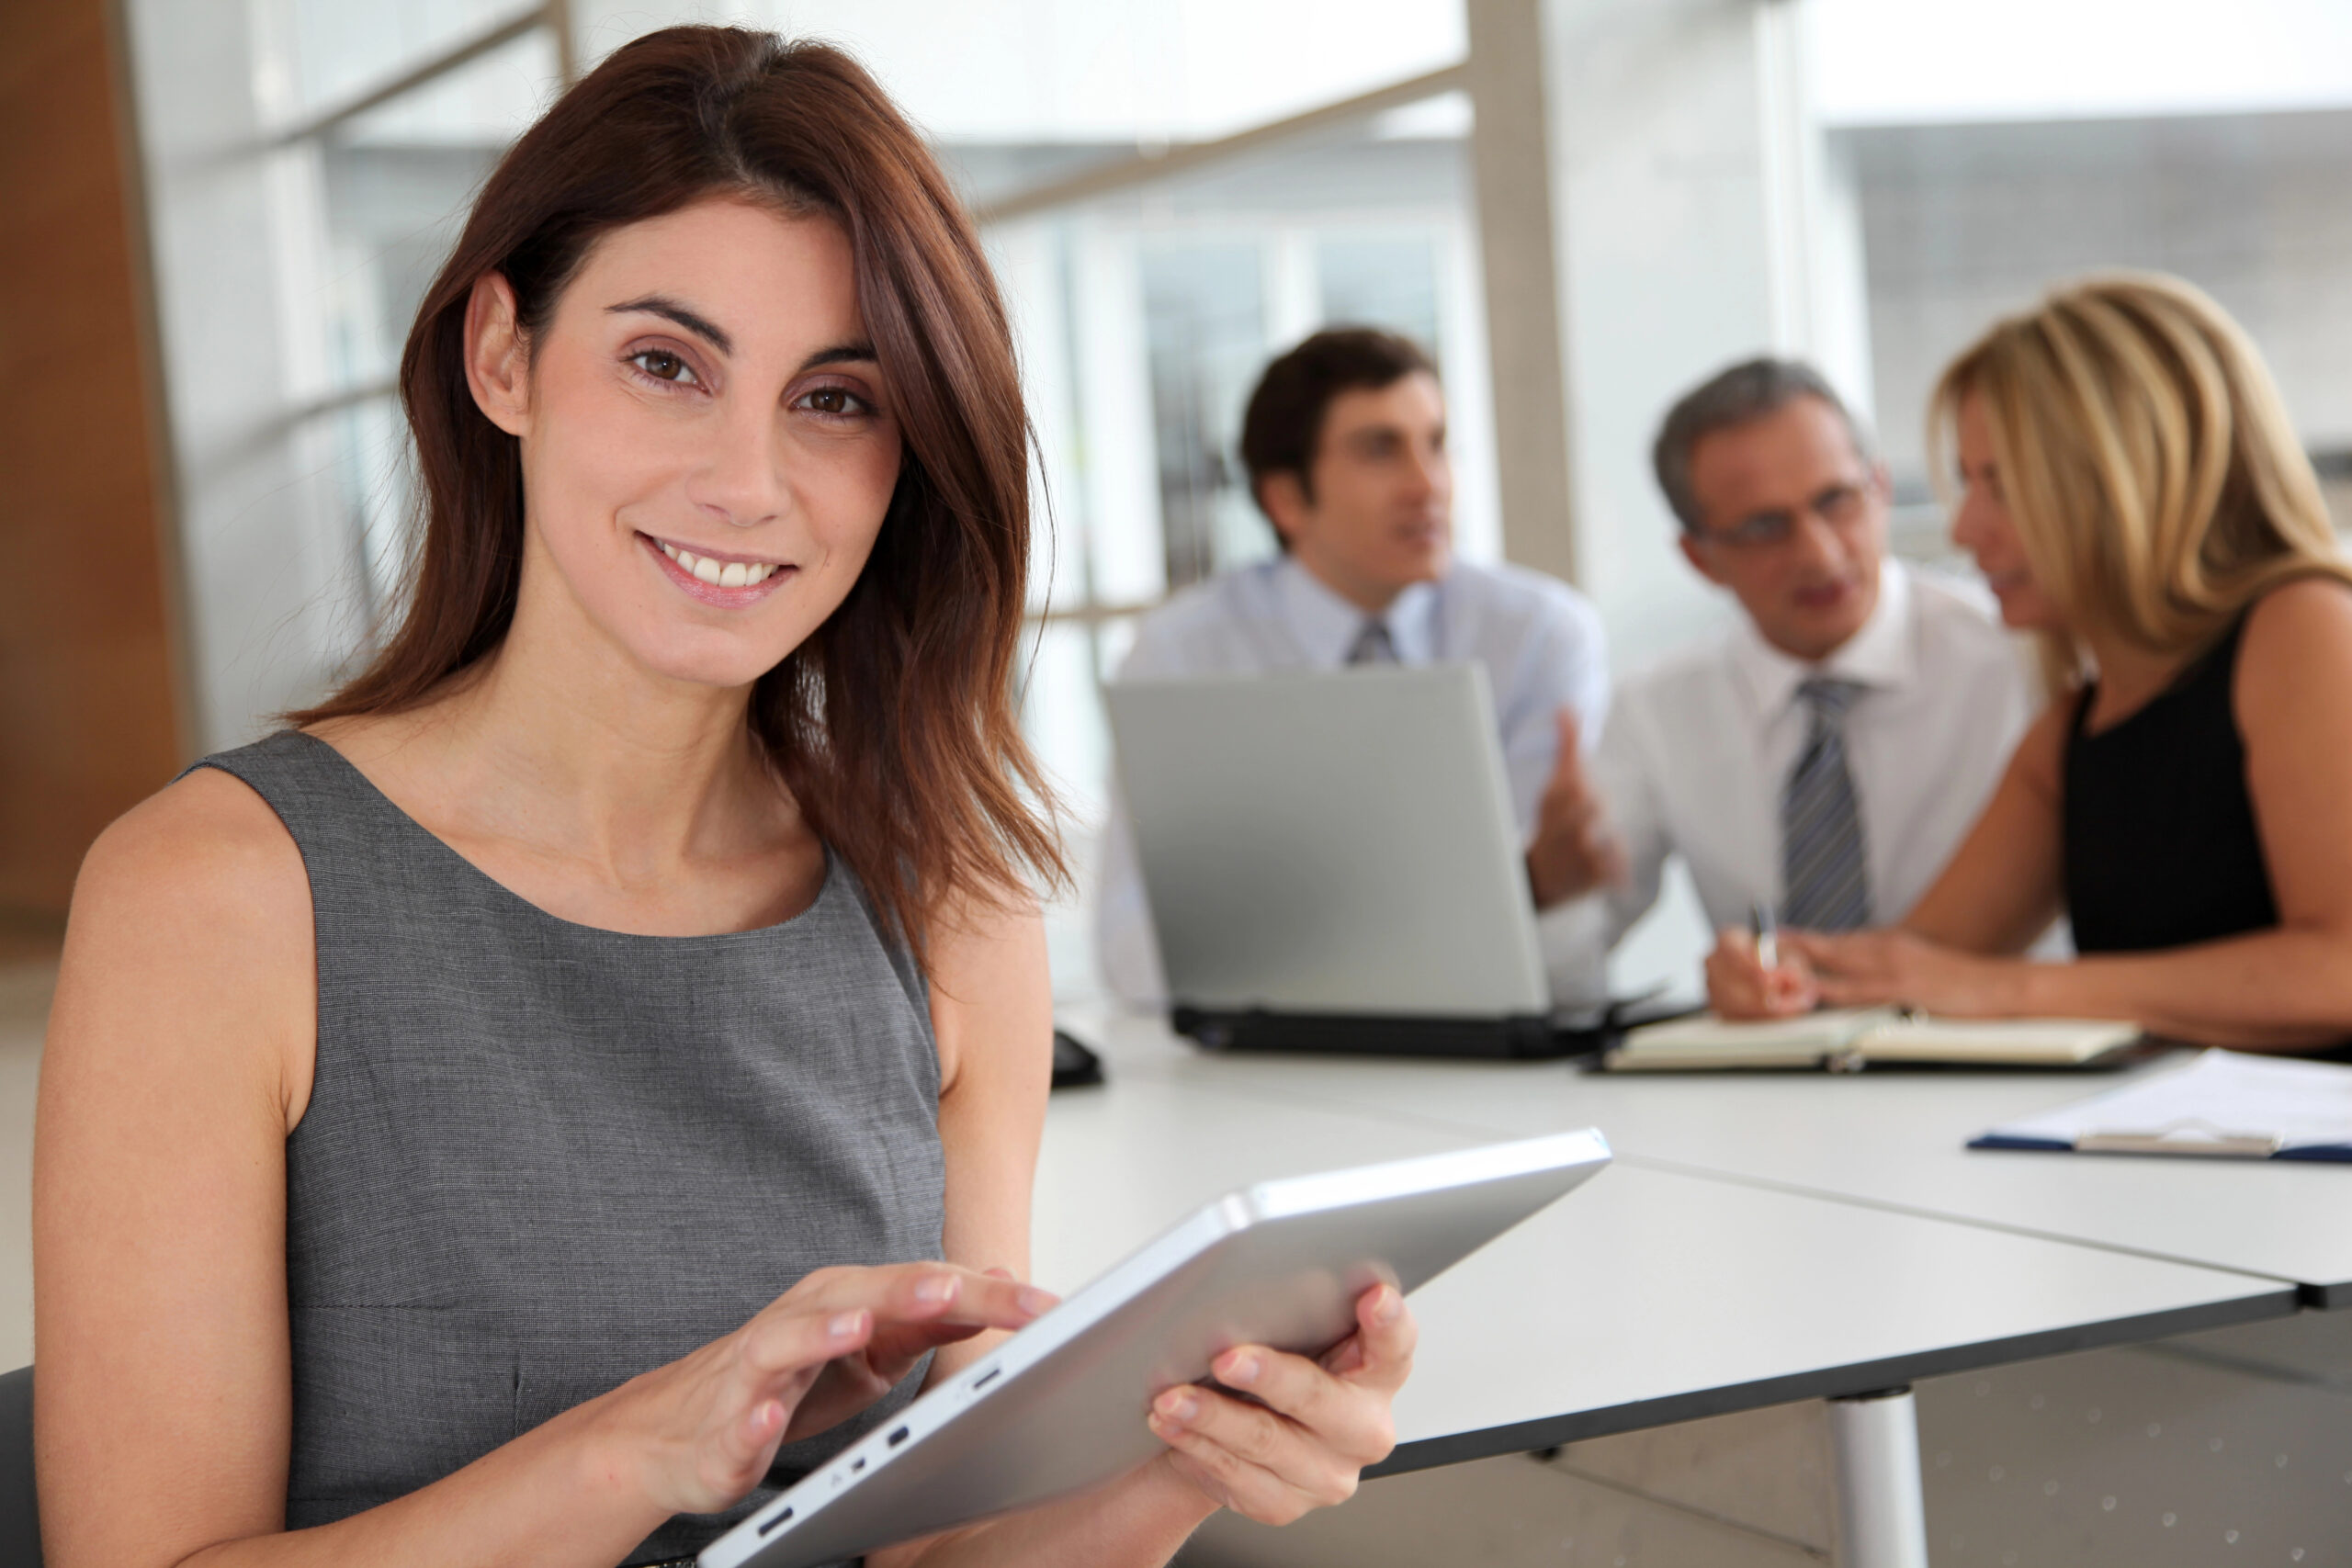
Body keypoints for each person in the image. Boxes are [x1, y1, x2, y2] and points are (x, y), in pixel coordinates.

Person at [33, 30, 1416, 1568]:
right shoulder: (216, 894)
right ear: (503, 357)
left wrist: (1190, 1462)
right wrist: (633, 1452)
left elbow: (936, 1549)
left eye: (836, 400)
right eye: (664, 364)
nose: (749, 481)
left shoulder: (949, 895)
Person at [1720, 273, 2352, 1048]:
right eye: (1967, 482)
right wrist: (1784, 972)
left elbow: (2339, 971)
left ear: (2131, 478)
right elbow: (1920, 962)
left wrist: (2007, 989)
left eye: (2004, 486)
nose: (1965, 529)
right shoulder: (2075, 723)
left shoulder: (2305, 626)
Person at [1094, 327, 1611, 1006]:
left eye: (1437, 443)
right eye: (1380, 451)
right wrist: (1498, 899)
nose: (1428, 486)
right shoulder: (1182, 654)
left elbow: (1561, 946)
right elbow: (1136, 951)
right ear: (1285, 499)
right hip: (1271, 1063)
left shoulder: (1540, 634)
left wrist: (1288, 930)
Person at [1524, 357, 2033, 991]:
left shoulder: (2020, 659)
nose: (1818, 554)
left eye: (1837, 501)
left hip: (2007, 1063)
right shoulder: (1658, 710)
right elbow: (1556, 985)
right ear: (1699, 557)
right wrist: (1546, 888)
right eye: (1766, 528)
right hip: (1773, 1073)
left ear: (1879, 489)